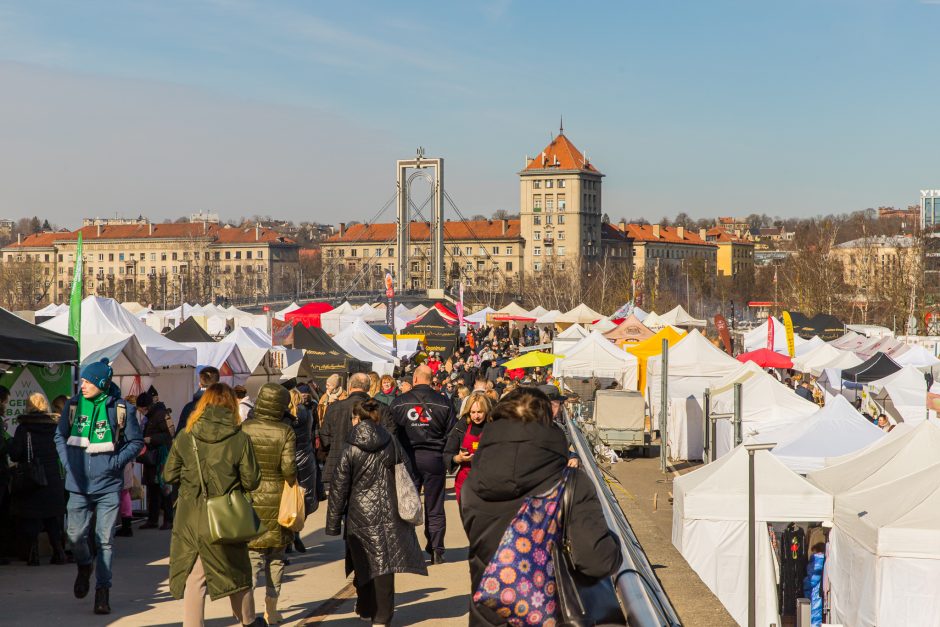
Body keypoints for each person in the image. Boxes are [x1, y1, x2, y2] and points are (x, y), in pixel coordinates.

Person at [461, 387, 622, 626]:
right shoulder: (571, 482)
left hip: (489, 612)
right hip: (550, 613)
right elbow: (597, 560)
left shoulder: (473, 482)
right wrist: (615, 542)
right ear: (549, 424)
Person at [162, 383, 264, 627]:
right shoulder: (239, 438)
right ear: (231, 405)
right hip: (225, 516)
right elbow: (252, 480)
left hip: (190, 517)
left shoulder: (187, 435)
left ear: (203, 403)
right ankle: (249, 622)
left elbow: (168, 474)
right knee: (236, 572)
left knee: (195, 578)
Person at [326, 399, 428, 626]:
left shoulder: (350, 446)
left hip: (359, 513)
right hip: (390, 509)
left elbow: (339, 486)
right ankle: (382, 617)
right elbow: (406, 470)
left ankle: (365, 606)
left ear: (355, 418)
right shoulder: (390, 441)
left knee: (363, 561)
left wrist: (333, 523)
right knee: (385, 564)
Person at [54, 359, 144, 615]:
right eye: (82, 380)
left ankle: (102, 591)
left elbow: (135, 442)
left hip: (107, 487)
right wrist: (68, 462)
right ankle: (84, 565)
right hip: (78, 485)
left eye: (87, 381)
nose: (82, 385)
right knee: (74, 536)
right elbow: (59, 435)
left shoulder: (121, 409)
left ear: (101, 384)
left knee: (104, 541)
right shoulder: (73, 407)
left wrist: (114, 463)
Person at [388, 365, 456, 564]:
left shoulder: (400, 402)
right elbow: (452, 433)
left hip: (408, 457)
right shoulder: (444, 402)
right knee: (435, 505)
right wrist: (446, 456)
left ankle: (407, 548)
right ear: (431, 378)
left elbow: (391, 432)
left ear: (416, 378)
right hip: (434, 457)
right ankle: (436, 549)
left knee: (407, 504)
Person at [241, 383, 297, 625]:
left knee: (252, 558)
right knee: (276, 558)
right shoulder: (285, 431)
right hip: (278, 500)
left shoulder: (244, 428)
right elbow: (289, 469)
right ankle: (271, 610)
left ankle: (246, 612)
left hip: (250, 498)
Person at [10, 392, 66, 565]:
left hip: (31, 478)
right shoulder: (54, 426)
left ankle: (33, 555)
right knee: (52, 518)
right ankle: (59, 552)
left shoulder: (23, 428)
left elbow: (15, 454)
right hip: (52, 477)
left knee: (32, 517)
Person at [321, 373, 372, 486]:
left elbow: (325, 436)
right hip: (367, 466)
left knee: (338, 501)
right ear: (368, 388)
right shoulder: (378, 408)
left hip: (338, 463)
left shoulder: (333, 407)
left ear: (349, 387)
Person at [443, 393, 494, 505]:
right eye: (473, 412)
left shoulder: (495, 426)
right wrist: (458, 458)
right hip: (465, 482)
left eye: (480, 412)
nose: (476, 416)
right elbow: (447, 454)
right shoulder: (461, 426)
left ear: (486, 410)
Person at [135, 392, 175, 530]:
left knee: (164, 488)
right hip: (152, 456)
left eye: (140, 407)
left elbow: (170, 434)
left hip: (161, 456)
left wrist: (151, 439)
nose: (139, 411)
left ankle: (169, 520)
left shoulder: (161, 414)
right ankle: (153, 520)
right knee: (152, 487)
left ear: (145, 406)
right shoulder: (151, 415)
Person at [286, 387, 319, 553]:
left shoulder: (286, 416)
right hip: (306, 458)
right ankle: (296, 531)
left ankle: (287, 535)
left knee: (286, 499)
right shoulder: (307, 413)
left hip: (288, 458)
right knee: (303, 498)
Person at [177, 366, 221, 434]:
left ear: (200, 384)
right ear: (218, 384)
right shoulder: (226, 407)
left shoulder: (189, 408)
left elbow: (180, 435)